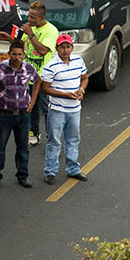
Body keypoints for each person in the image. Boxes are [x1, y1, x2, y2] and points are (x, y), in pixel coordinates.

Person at [0, 40, 40, 189]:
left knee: (23, 147)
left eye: (19, 54)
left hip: (23, 114)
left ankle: (23, 175)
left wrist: (33, 101)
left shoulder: (28, 68)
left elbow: (37, 81)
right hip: (4, 114)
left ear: (24, 55)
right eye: (14, 54)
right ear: (9, 54)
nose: (17, 57)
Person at [41, 34, 90, 185]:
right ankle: (50, 171)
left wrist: (81, 90)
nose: (65, 50)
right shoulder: (50, 66)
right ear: (57, 49)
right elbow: (45, 88)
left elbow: (84, 78)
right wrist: (65, 95)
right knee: (54, 142)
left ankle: (73, 169)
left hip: (75, 109)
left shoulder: (78, 61)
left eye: (68, 47)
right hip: (57, 110)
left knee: (73, 140)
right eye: (62, 47)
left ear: (72, 48)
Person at [19, 1, 59, 145]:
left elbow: (42, 51)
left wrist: (30, 34)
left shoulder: (51, 31)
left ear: (42, 18)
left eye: (33, 17)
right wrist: (9, 39)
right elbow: (23, 47)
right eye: (29, 16)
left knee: (46, 108)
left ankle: (51, 137)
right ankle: (33, 133)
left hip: (43, 78)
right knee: (31, 107)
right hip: (28, 77)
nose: (29, 20)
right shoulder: (30, 29)